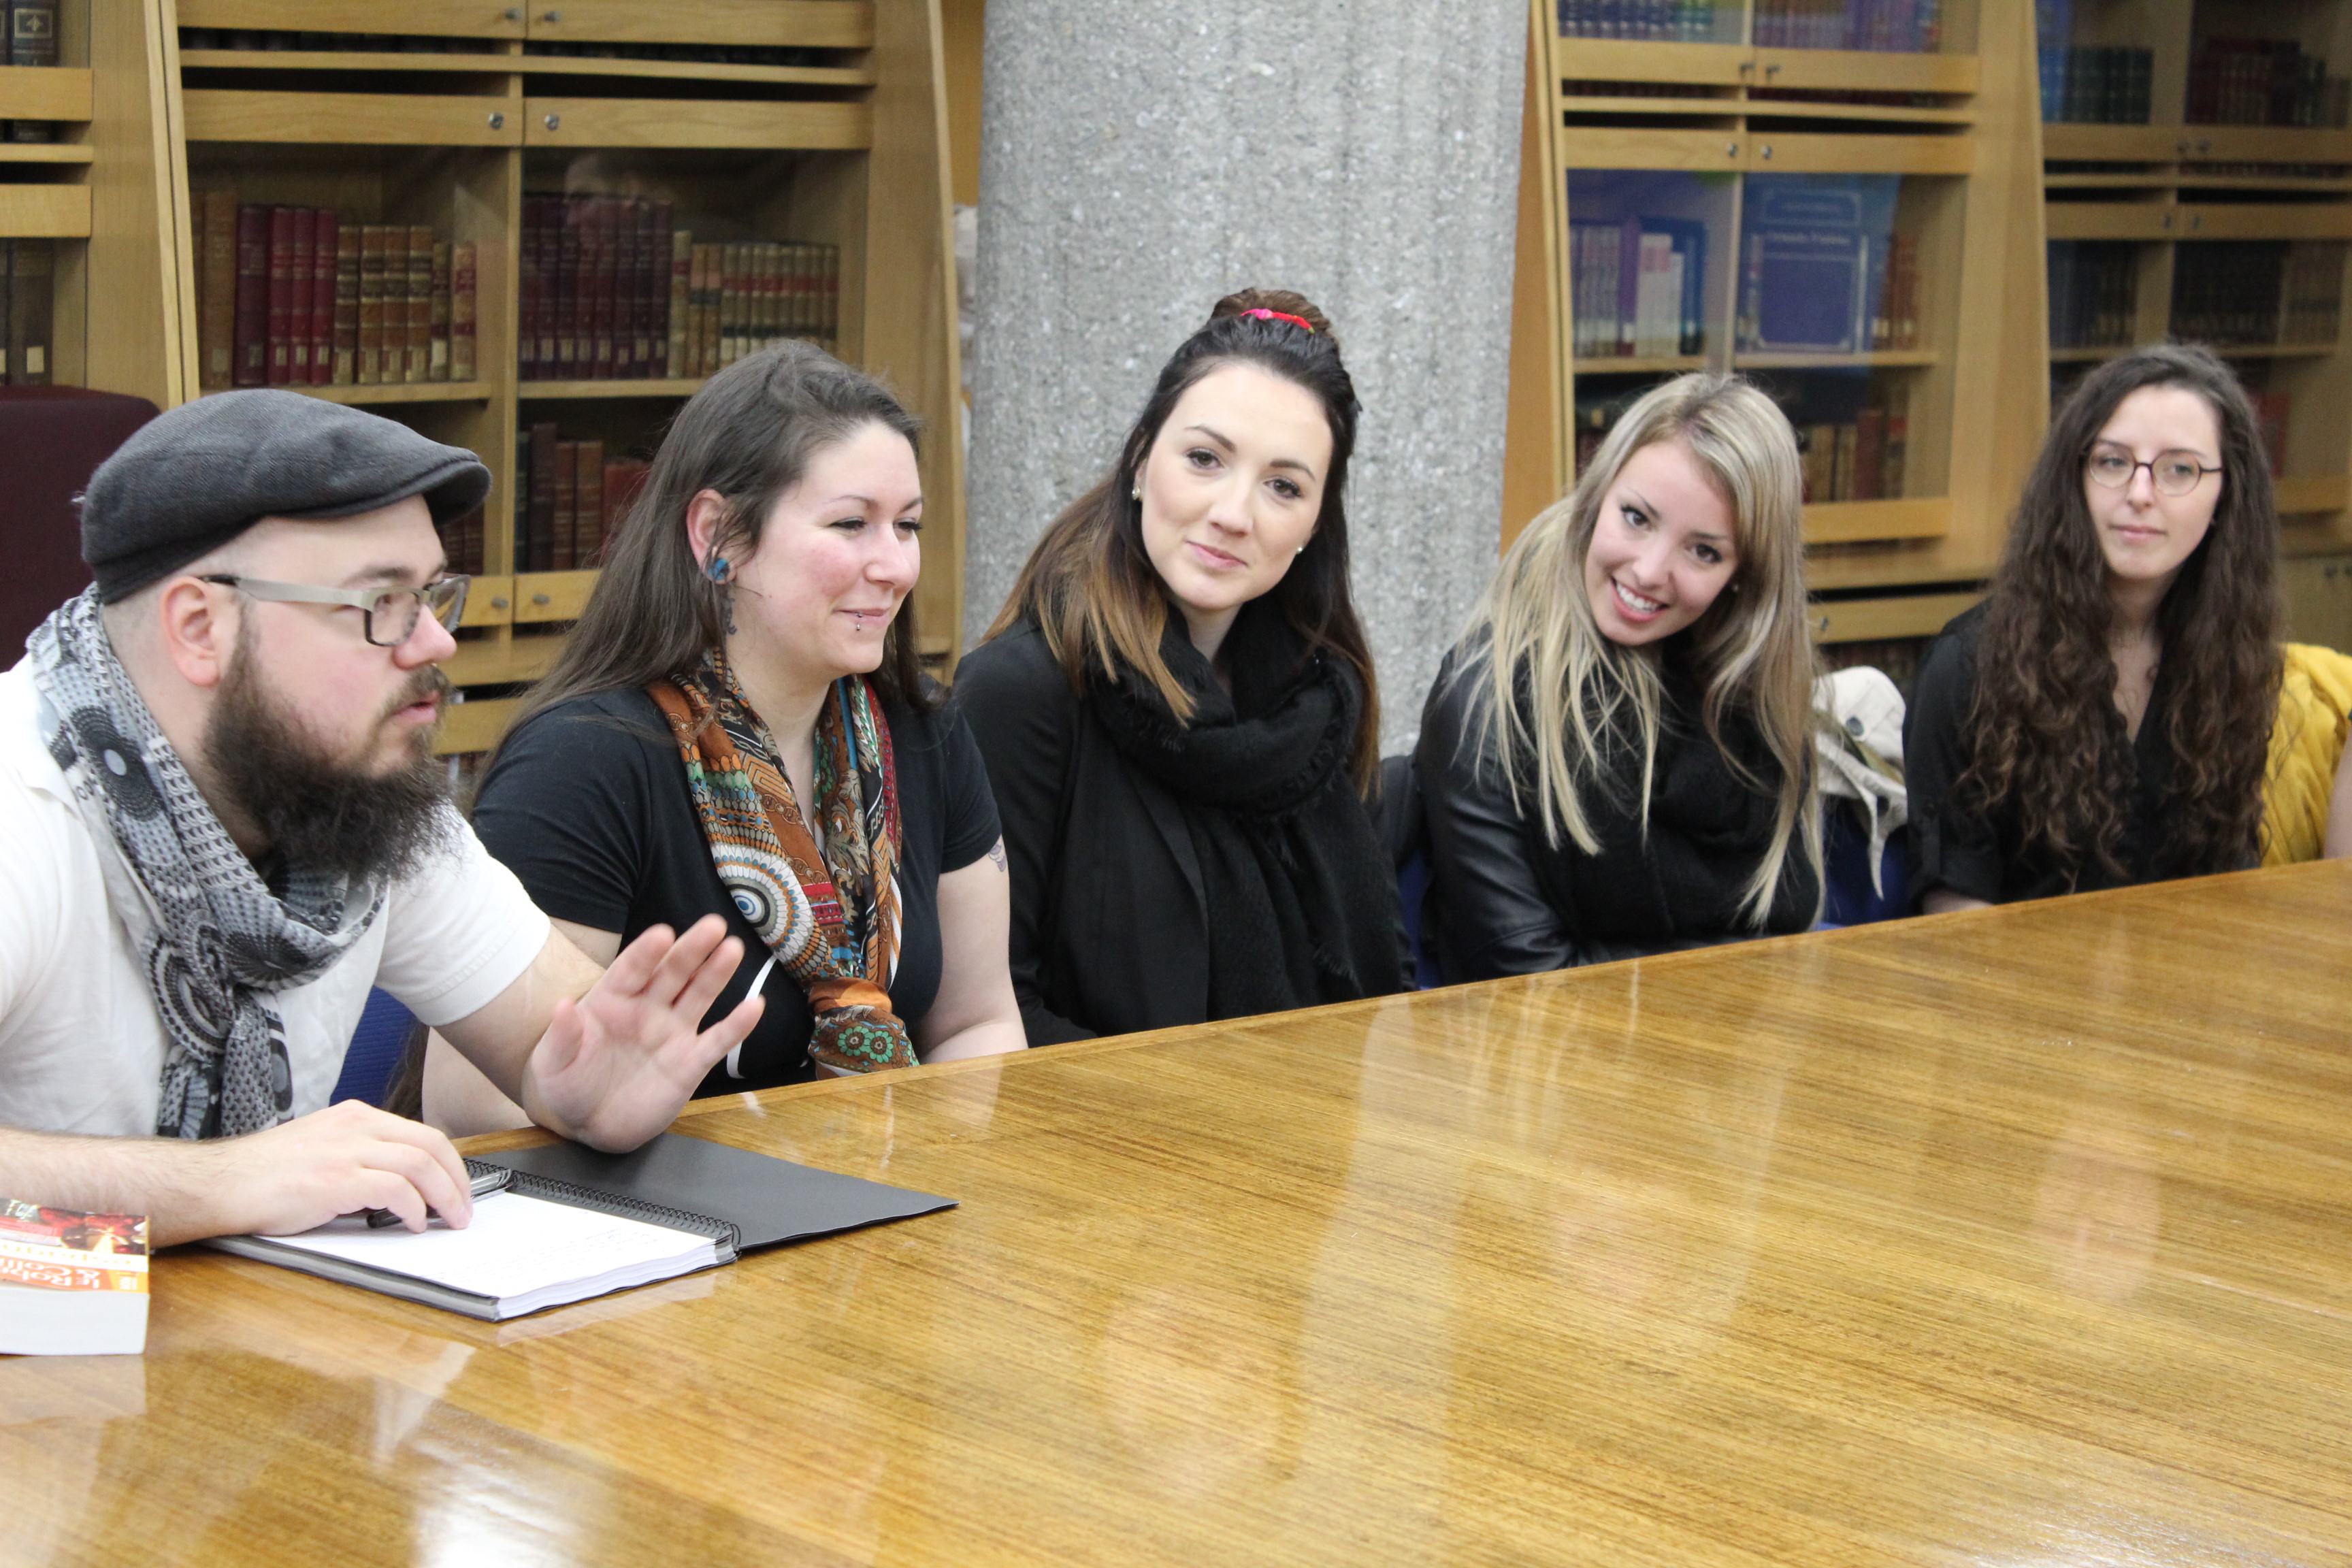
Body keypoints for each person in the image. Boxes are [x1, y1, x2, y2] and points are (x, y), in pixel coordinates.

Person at [0, 391, 762, 1246]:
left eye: (433, 596)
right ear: (201, 628)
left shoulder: (350, 795)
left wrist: (586, 1089)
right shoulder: (20, 801)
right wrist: (224, 1182)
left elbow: (558, 1040)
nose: (436, 644)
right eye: (381, 603)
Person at [438, 342, 1024, 1130]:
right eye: (851, 523)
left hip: (894, 1193)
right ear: (719, 536)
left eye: (908, 526)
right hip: (646, 1199)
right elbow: (469, 1105)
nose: (895, 566)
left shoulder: (926, 733)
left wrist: (940, 1177)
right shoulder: (582, 761)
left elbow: (977, 1024)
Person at [950, 289, 1407, 1044]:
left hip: (1315, 1108)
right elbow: (985, 1019)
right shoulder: (1022, 691)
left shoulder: (1323, 704)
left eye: (1284, 486)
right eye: (1204, 459)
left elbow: (1384, 988)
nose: (1234, 514)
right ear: (1140, 460)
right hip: (1104, 1118)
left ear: (1315, 523)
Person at [1414, 373, 1822, 980]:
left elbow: (1787, 937)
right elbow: (1530, 976)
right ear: (1596, 495)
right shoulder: (1485, 699)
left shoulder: (1757, 703)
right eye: (1636, 517)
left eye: (1703, 551)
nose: (1650, 571)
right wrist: (1725, 967)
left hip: (1729, 1036)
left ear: (1745, 575)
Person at [1906, 344, 2282, 910]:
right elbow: (1953, 909)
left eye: (2180, 469)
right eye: (2112, 462)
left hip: (2184, 961)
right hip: (2016, 965)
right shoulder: (1967, 666)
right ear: (2074, 477)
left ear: (2226, 495)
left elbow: (2227, 882)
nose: (2139, 494)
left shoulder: (2233, 659)